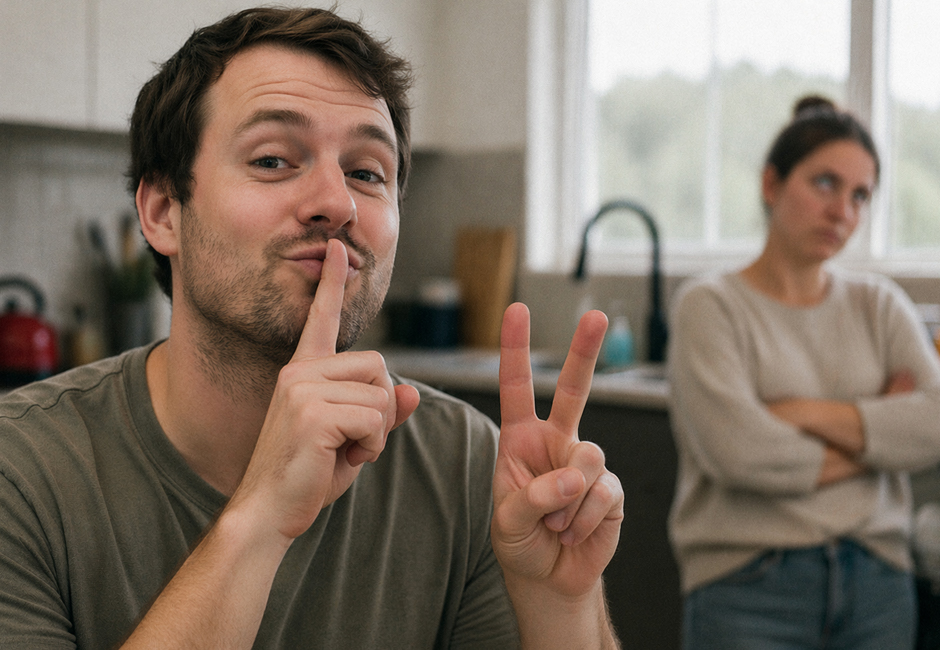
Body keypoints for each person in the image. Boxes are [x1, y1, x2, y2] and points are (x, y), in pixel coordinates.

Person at [0, 7, 623, 648]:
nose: (337, 203)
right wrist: (263, 512)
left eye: (366, 173)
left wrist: (560, 607)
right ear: (163, 212)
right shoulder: (19, 475)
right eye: (272, 160)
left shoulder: (467, 467)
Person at [667, 96, 940, 649]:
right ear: (771, 184)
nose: (842, 211)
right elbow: (739, 453)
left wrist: (796, 413)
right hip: (748, 584)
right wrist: (878, 437)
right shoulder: (709, 305)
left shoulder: (880, 304)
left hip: (879, 580)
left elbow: (936, 425)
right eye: (825, 183)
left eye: (860, 195)